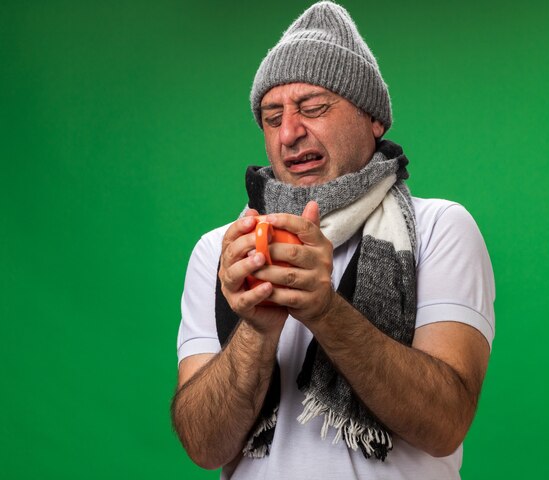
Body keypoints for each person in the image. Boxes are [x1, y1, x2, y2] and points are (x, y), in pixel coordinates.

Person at [171, 2, 495, 479]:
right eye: (271, 116)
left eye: (314, 108)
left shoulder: (440, 227)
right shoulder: (225, 251)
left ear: (374, 119)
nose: (290, 133)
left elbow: (445, 423)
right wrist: (257, 334)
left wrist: (324, 310)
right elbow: (203, 446)